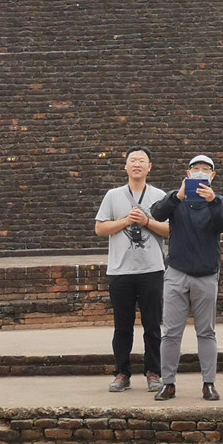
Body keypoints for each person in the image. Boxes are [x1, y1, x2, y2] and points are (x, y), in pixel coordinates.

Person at [150, 153, 223, 402]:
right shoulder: (176, 198)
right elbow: (157, 214)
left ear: (212, 175)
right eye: (195, 168)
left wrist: (213, 202)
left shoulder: (219, 201)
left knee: (206, 331)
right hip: (177, 272)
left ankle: (209, 383)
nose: (200, 172)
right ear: (188, 174)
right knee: (171, 332)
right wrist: (178, 196)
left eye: (205, 169)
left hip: (207, 274)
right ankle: (168, 383)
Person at [94, 146, 170, 392]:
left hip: (151, 269)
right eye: (132, 160)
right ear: (125, 166)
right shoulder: (113, 196)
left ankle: (153, 372)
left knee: (153, 325)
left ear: (150, 167)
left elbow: (171, 230)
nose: (137, 164)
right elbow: (100, 228)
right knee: (122, 326)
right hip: (120, 271)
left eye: (142, 161)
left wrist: (146, 222)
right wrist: (127, 221)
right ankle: (122, 372)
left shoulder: (160, 196)